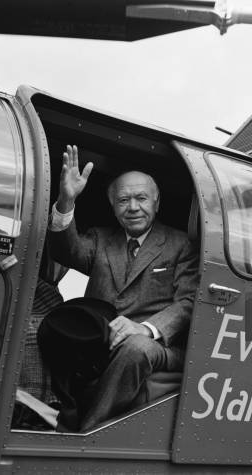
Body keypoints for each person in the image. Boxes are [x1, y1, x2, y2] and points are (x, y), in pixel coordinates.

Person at [48, 145, 198, 431]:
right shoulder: (101, 238)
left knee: (136, 347)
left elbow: (189, 302)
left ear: (156, 203)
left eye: (141, 198)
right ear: (113, 207)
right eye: (123, 200)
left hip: (158, 344)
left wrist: (146, 329)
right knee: (53, 331)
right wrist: (66, 201)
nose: (132, 207)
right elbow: (65, 252)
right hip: (101, 343)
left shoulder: (181, 245)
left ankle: (85, 432)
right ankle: (51, 417)